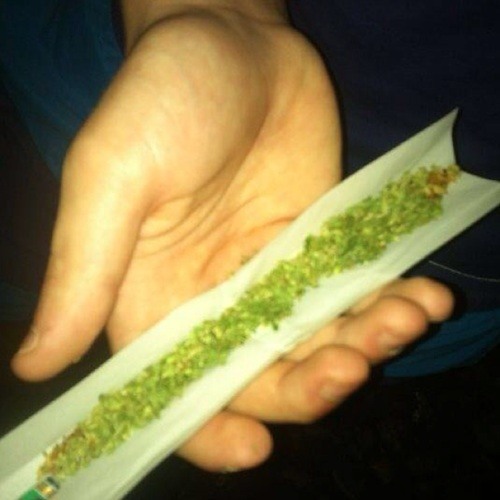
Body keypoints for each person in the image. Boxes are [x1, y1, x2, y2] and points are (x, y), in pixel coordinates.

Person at [0, 0, 491, 474]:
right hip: (165, 113)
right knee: (31, 260)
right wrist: (218, 10)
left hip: (456, 274)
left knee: (351, 355)